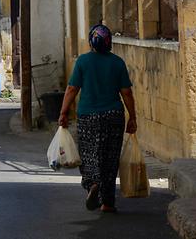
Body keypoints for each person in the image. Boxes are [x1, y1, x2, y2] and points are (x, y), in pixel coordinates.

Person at [58, 24, 137, 213]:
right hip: (113, 116)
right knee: (110, 158)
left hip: (88, 117)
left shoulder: (83, 62)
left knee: (89, 154)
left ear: (91, 42)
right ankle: (107, 202)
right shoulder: (118, 63)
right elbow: (126, 92)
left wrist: (63, 112)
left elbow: (71, 89)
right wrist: (132, 117)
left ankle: (93, 183)